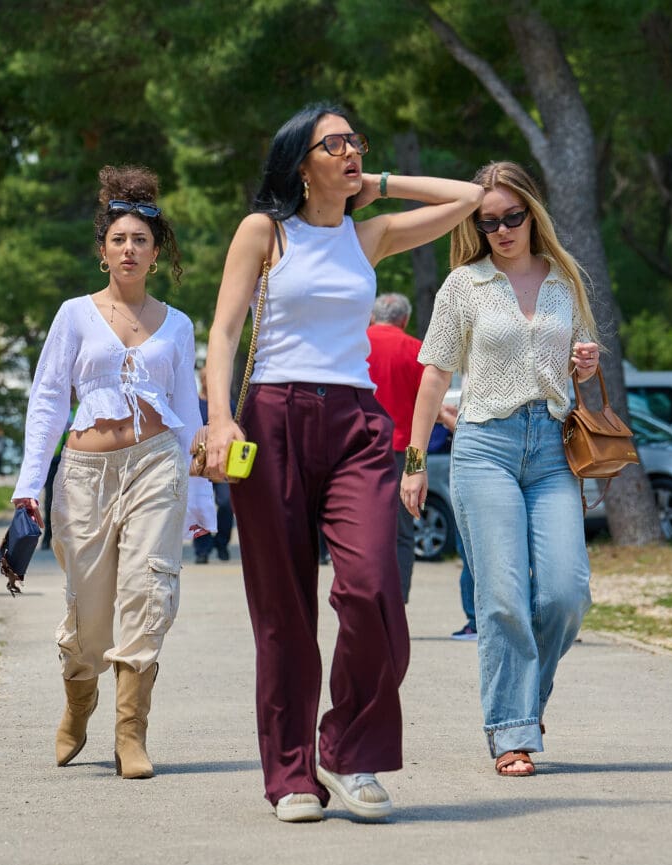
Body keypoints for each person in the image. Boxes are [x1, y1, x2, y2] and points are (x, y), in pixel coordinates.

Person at [202, 103, 483, 822]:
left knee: (373, 588)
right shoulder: (264, 232)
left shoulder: (369, 235)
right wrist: (220, 416)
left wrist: (377, 182)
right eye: (336, 144)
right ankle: (291, 775)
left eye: (356, 141)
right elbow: (225, 331)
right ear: (301, 162)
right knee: (284, 611)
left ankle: (351, 750)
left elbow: (471, 199)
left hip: (357, 421)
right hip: (273, 417)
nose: (352, 150)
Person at [12, 165, 215, 780]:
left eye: (140, 241)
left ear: (157, 252)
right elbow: (49, 400)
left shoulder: (178, 324)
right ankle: (79, 700)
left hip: (156, 465)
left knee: (149, 592)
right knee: (89, 614)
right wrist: (29, 484)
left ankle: (132, 734)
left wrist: (200, 497)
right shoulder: (74, 314)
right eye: (118, 240)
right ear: (102, 250)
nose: (129, 249)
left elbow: (188, 412)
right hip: (84, 475)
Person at [400, 160, 601, 778]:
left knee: (567, 592)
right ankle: (512, 730)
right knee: (503, 597)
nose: (503, 230)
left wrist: (585, 363)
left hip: (552, 450)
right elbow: (434, 376)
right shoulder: (464, 285)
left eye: (513, 217)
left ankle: (523, 704)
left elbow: (576, 359)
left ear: (533, 214)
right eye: (488, 222)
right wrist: (414, 463)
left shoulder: (565, 280)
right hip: (485, 446)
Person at [365, 292, 423, 603]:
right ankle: (397, 602)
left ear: (372, 317)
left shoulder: (356, 343)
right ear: (405, 320)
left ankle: (366, 596)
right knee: (402, 530)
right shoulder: (416, 350)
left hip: (359, 450)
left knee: (362, 527)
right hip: (405, 452)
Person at [435, 402, 477, 641]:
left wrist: (446, 418)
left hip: (471, 483)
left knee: (472, 555)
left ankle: (476, 621)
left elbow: (472, 434)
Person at [193, 367, 234, 564]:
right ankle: (202, 549)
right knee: (200, 506)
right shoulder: (194, 403)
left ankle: (222, 543)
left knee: (226, 503)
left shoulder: (227, 405)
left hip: (222, 461)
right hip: (199, 463)